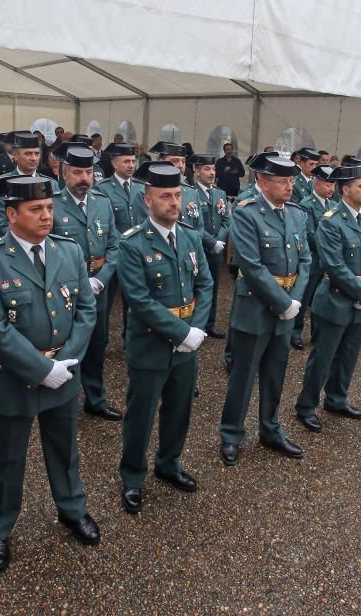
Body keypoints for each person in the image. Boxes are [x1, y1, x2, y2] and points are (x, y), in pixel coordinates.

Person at [0, 174, 100, 572]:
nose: (47, 216)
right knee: (6, 458)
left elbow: (86, 311)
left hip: (64, 371)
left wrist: (65, 364)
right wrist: (43, 368)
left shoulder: (69, 251)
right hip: (14, 377)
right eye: (36, 209)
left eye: (49, 208)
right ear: (11, 214)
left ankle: (72, 509)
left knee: (64, 449)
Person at [116, 161, 213, 513]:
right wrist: (181, 332)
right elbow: (139, 300)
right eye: (165, 196)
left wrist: (197, 330)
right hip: (150, 345)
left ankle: (169, 463)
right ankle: (132, 477)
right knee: (141, 414)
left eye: (177, 195)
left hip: (187, 345)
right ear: (147, 201)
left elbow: (205, 283)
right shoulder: (131, 244)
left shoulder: (189, 235)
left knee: (179, 409)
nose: (174, 202)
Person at [219, 153, 309, 464]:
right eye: (283, 181)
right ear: (262, 181)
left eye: (291, 181)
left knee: (275, 374)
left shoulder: (296, 214)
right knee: (242, 377)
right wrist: (284, 303)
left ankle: (271, 429)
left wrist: (295, 300)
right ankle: (231, 433)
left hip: (287, 309)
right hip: (256, 308)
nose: (289, 187)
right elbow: (252, 266)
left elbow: (306, 262)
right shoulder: (246, 213)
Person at [294, 164, 361, 433]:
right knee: (323, 357)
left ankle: (337, 398)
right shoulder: (331, 221)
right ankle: (306, 406)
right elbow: (334, 265)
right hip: (335, 300)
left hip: (360, 301)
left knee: (349, 355)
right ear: (345, 190)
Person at [50, 143, 122, 421]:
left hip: (98, 290)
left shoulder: (102, 203)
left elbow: (114, 246)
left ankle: (95, 398)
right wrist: (81, 282)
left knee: (97, 343)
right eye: (78, 172)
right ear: (65, 172)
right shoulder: (53, 205)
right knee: (68, 344)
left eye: (88, 172)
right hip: (66, 292)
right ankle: (62, 400)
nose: (84, 178)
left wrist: (101, 280)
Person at [97, 143, 145, 339]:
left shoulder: (141, 188)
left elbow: (143, 220)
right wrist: (123, 241)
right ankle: (101, 339)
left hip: (135, 254)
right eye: (126, 161)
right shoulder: (103, 188)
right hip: (114, 253)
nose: (131, 165)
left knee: (133, 299)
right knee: (106, 300)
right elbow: (104, 223)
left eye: (133, 161)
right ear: (114, 164)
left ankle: (130, 337)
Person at [290, 164, 336, 351]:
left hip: (328, 261)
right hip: (314, 259)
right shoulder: (306, 205)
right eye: (327, 185)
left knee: (322, 299)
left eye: (333, 185)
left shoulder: (333, 205)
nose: (331, 189)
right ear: (317, 182)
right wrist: (332, 249)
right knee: (305, 297)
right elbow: (310, 234)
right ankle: (295, 331)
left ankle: (317, 333)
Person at [188, 154, 229, 338]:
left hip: (216, 249)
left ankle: (209, 323)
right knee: (194, 286)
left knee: (212, 285)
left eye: (213, 169)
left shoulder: (220, 193)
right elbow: (191, 223)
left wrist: (219, 240)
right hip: (198, 247)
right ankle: (194, 324)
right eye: (207, 169)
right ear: (197, 172)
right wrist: (211, 242)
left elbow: (227, 220)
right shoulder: (190, 193)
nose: (212, 173)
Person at [0, 131, 48, 236]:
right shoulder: (2, 184)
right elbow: (0, 224)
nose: (33, 158)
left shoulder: (50, 183)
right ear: (15, 156)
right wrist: (28, 241)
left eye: (37, 154)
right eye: (28, 154)